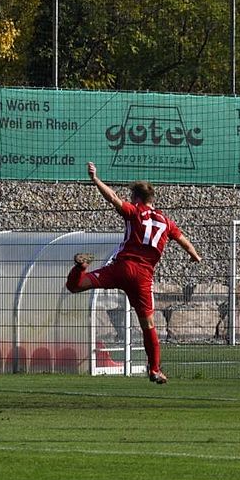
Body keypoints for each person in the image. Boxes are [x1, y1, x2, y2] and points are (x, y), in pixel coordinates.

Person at [65, 162, 202, 384]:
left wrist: (95, 179)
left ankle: (80, 268)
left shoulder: (135, 211)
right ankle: (155, 369)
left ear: (136, 198)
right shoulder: (167, 222)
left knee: (76, 286)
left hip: (121, 268)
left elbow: (113, 198)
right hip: (142, 278)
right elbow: (184, 242)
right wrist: (195, 255)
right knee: (148, 325)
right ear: (152, 199)